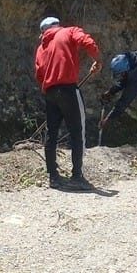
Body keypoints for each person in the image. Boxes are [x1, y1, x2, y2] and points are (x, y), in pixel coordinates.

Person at [33, 16, 101, 191]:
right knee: (77, 132)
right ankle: (77, 176)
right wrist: (97, 60)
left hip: (50, 93)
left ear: (43, 32)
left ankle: (53, 177)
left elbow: (39, 74)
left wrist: (50, 88)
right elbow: (87, 42)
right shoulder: (69, 31)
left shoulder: (41, 48)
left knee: (51, 134)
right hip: (68, 90)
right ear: (57, 25)